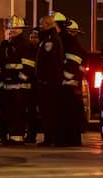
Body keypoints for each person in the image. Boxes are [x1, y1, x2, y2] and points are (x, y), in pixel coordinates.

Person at [0, 15, 36, 145]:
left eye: (14, 28)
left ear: (21, 29)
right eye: (10, 28)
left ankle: (17, 137)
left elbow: (29, 66)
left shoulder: (25, 45)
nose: (11, 30)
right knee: (5, 112)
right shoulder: (7, 44)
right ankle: (4, 135)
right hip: (7, 85)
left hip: (20, 87)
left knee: (18, 112)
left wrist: (20, 78)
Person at [35, 15, 65, 146]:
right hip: (48, 81)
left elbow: (50, 61)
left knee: (49, 111)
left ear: (47, 25)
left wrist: (46, 79)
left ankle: (50, 138)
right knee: (46, 111)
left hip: (50, 82)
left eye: (42, 25)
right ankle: (49, 137)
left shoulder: (51, 40)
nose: (40, 27)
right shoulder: (48, 39)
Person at [61, 19, 87, 146]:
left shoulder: (75, 48)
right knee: (68, 114)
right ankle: (69, 139)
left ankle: (72, 140)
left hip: (71, 86)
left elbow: (75, 66)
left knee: (71, 114)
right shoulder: (68, 45)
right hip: (69, 85)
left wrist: (67, 76)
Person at [24, 27, 40, 143]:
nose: (33, 39)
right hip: (29, 85)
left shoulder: (41, 50)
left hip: (39, 85)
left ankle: (32, 134)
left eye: (35, 37)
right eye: (31, 37)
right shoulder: (27, 50)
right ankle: (31, 135)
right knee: (30, 112)